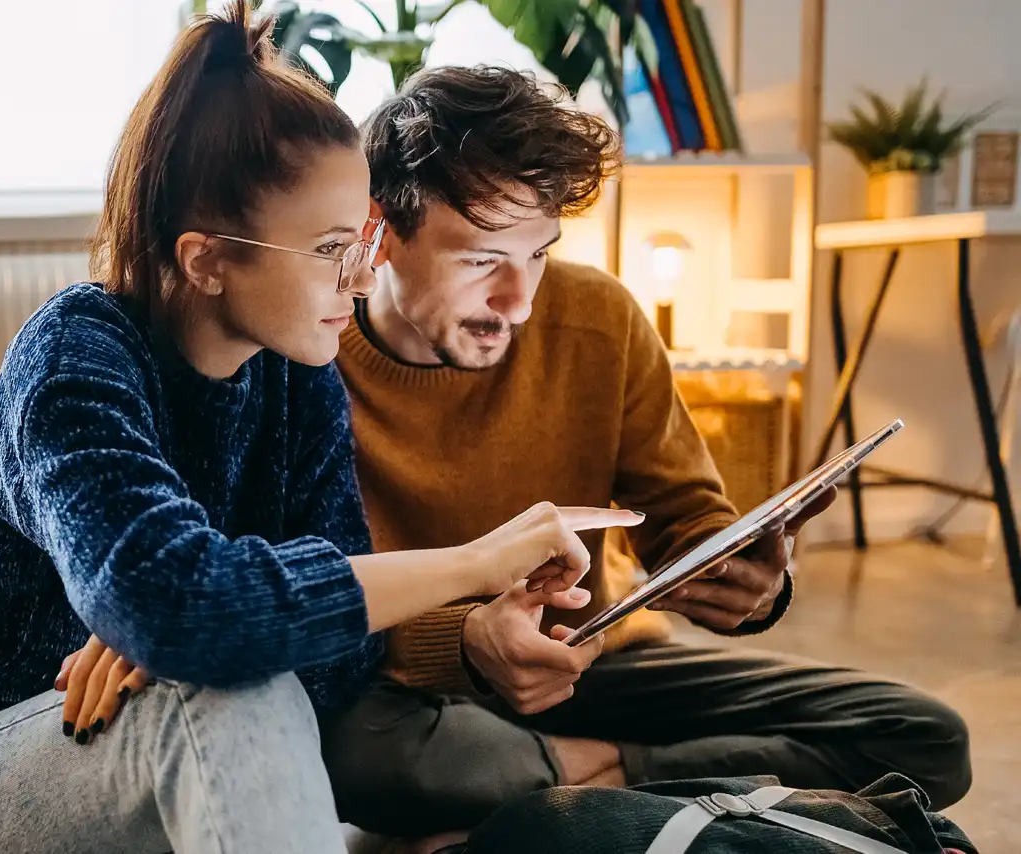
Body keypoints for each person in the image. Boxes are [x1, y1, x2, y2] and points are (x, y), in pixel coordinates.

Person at [0, 10, 644, 854]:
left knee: (229, 674)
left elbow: (333, 671)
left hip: (130, 751)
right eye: (334, 247)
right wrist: (475, 565)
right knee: (219, 690)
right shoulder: (75, 354)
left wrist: (202, 620)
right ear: (206, 260)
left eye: (363, 240)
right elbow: (182, 610)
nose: (364, 277)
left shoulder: (301, 382)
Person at [318, 65, 974, 844]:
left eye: (538, 255)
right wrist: (464, 638)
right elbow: (307, 598)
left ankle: (590, 775)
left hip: (592, 664)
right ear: (381, 232)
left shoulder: (598, 317)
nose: (519, 301)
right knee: (350, 749)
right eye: (481, 260)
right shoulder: (311, 356)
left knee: (925, 734)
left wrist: (744, 578)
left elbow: (686, 518)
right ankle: (642, 791)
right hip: (408, 685)